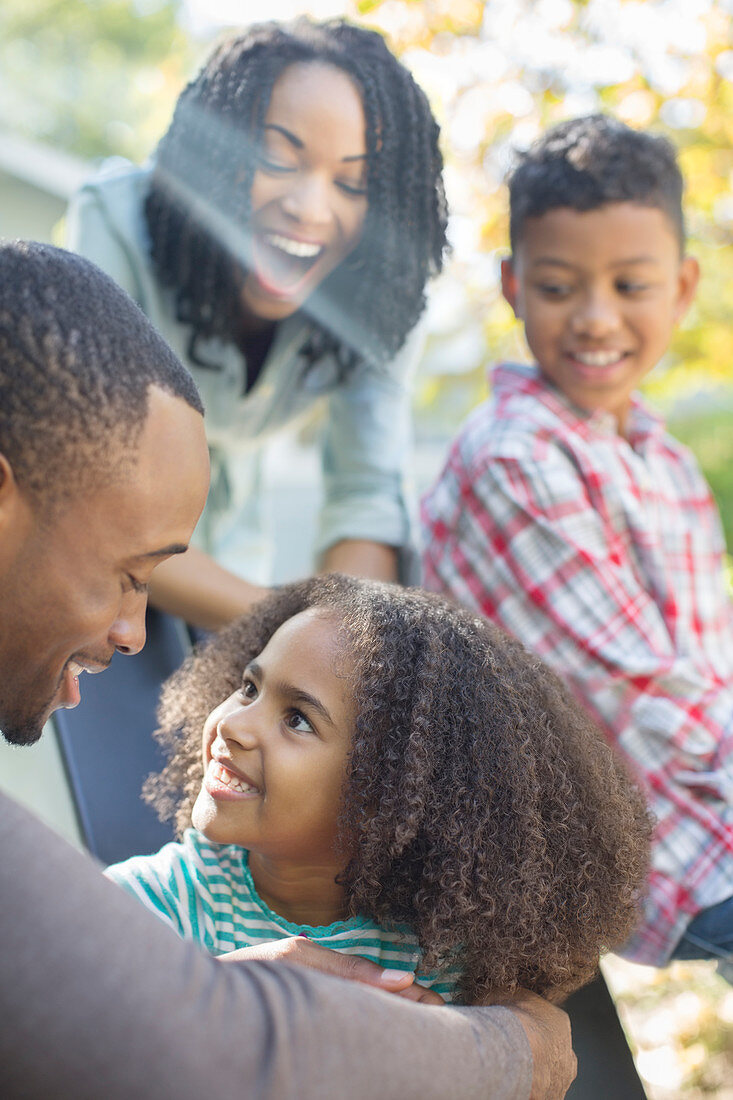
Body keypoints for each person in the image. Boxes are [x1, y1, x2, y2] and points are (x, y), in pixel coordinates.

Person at [0, 240, 576, 1099]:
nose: (133, 633)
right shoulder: (169, 895)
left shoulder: (442, 938)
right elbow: (224, 1049)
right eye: (128, 572)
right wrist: (518, 1051)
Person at [422, 114, 733, 980]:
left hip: (702, 817)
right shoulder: (513, 459)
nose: (596, 320)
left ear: (680, 287)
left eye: (630, 285)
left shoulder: (662, 459)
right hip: (632, 845)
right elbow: (638, 696)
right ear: (512, 286)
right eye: (559, 288)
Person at [66, 17, 449, 631]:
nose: (309, 207)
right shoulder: (117, 228)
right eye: (277, 158)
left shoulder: (384, 299)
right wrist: (285, 626)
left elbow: (366, 496)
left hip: (234, 566)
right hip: (86, 571)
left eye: (352, 183)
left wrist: (334, 631)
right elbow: (102, 492)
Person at [105, 574, 650, 1004]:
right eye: (249, 688)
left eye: (297, 719)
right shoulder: (149, 908)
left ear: (391, 795)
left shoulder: (448, 964)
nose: (233, 724)